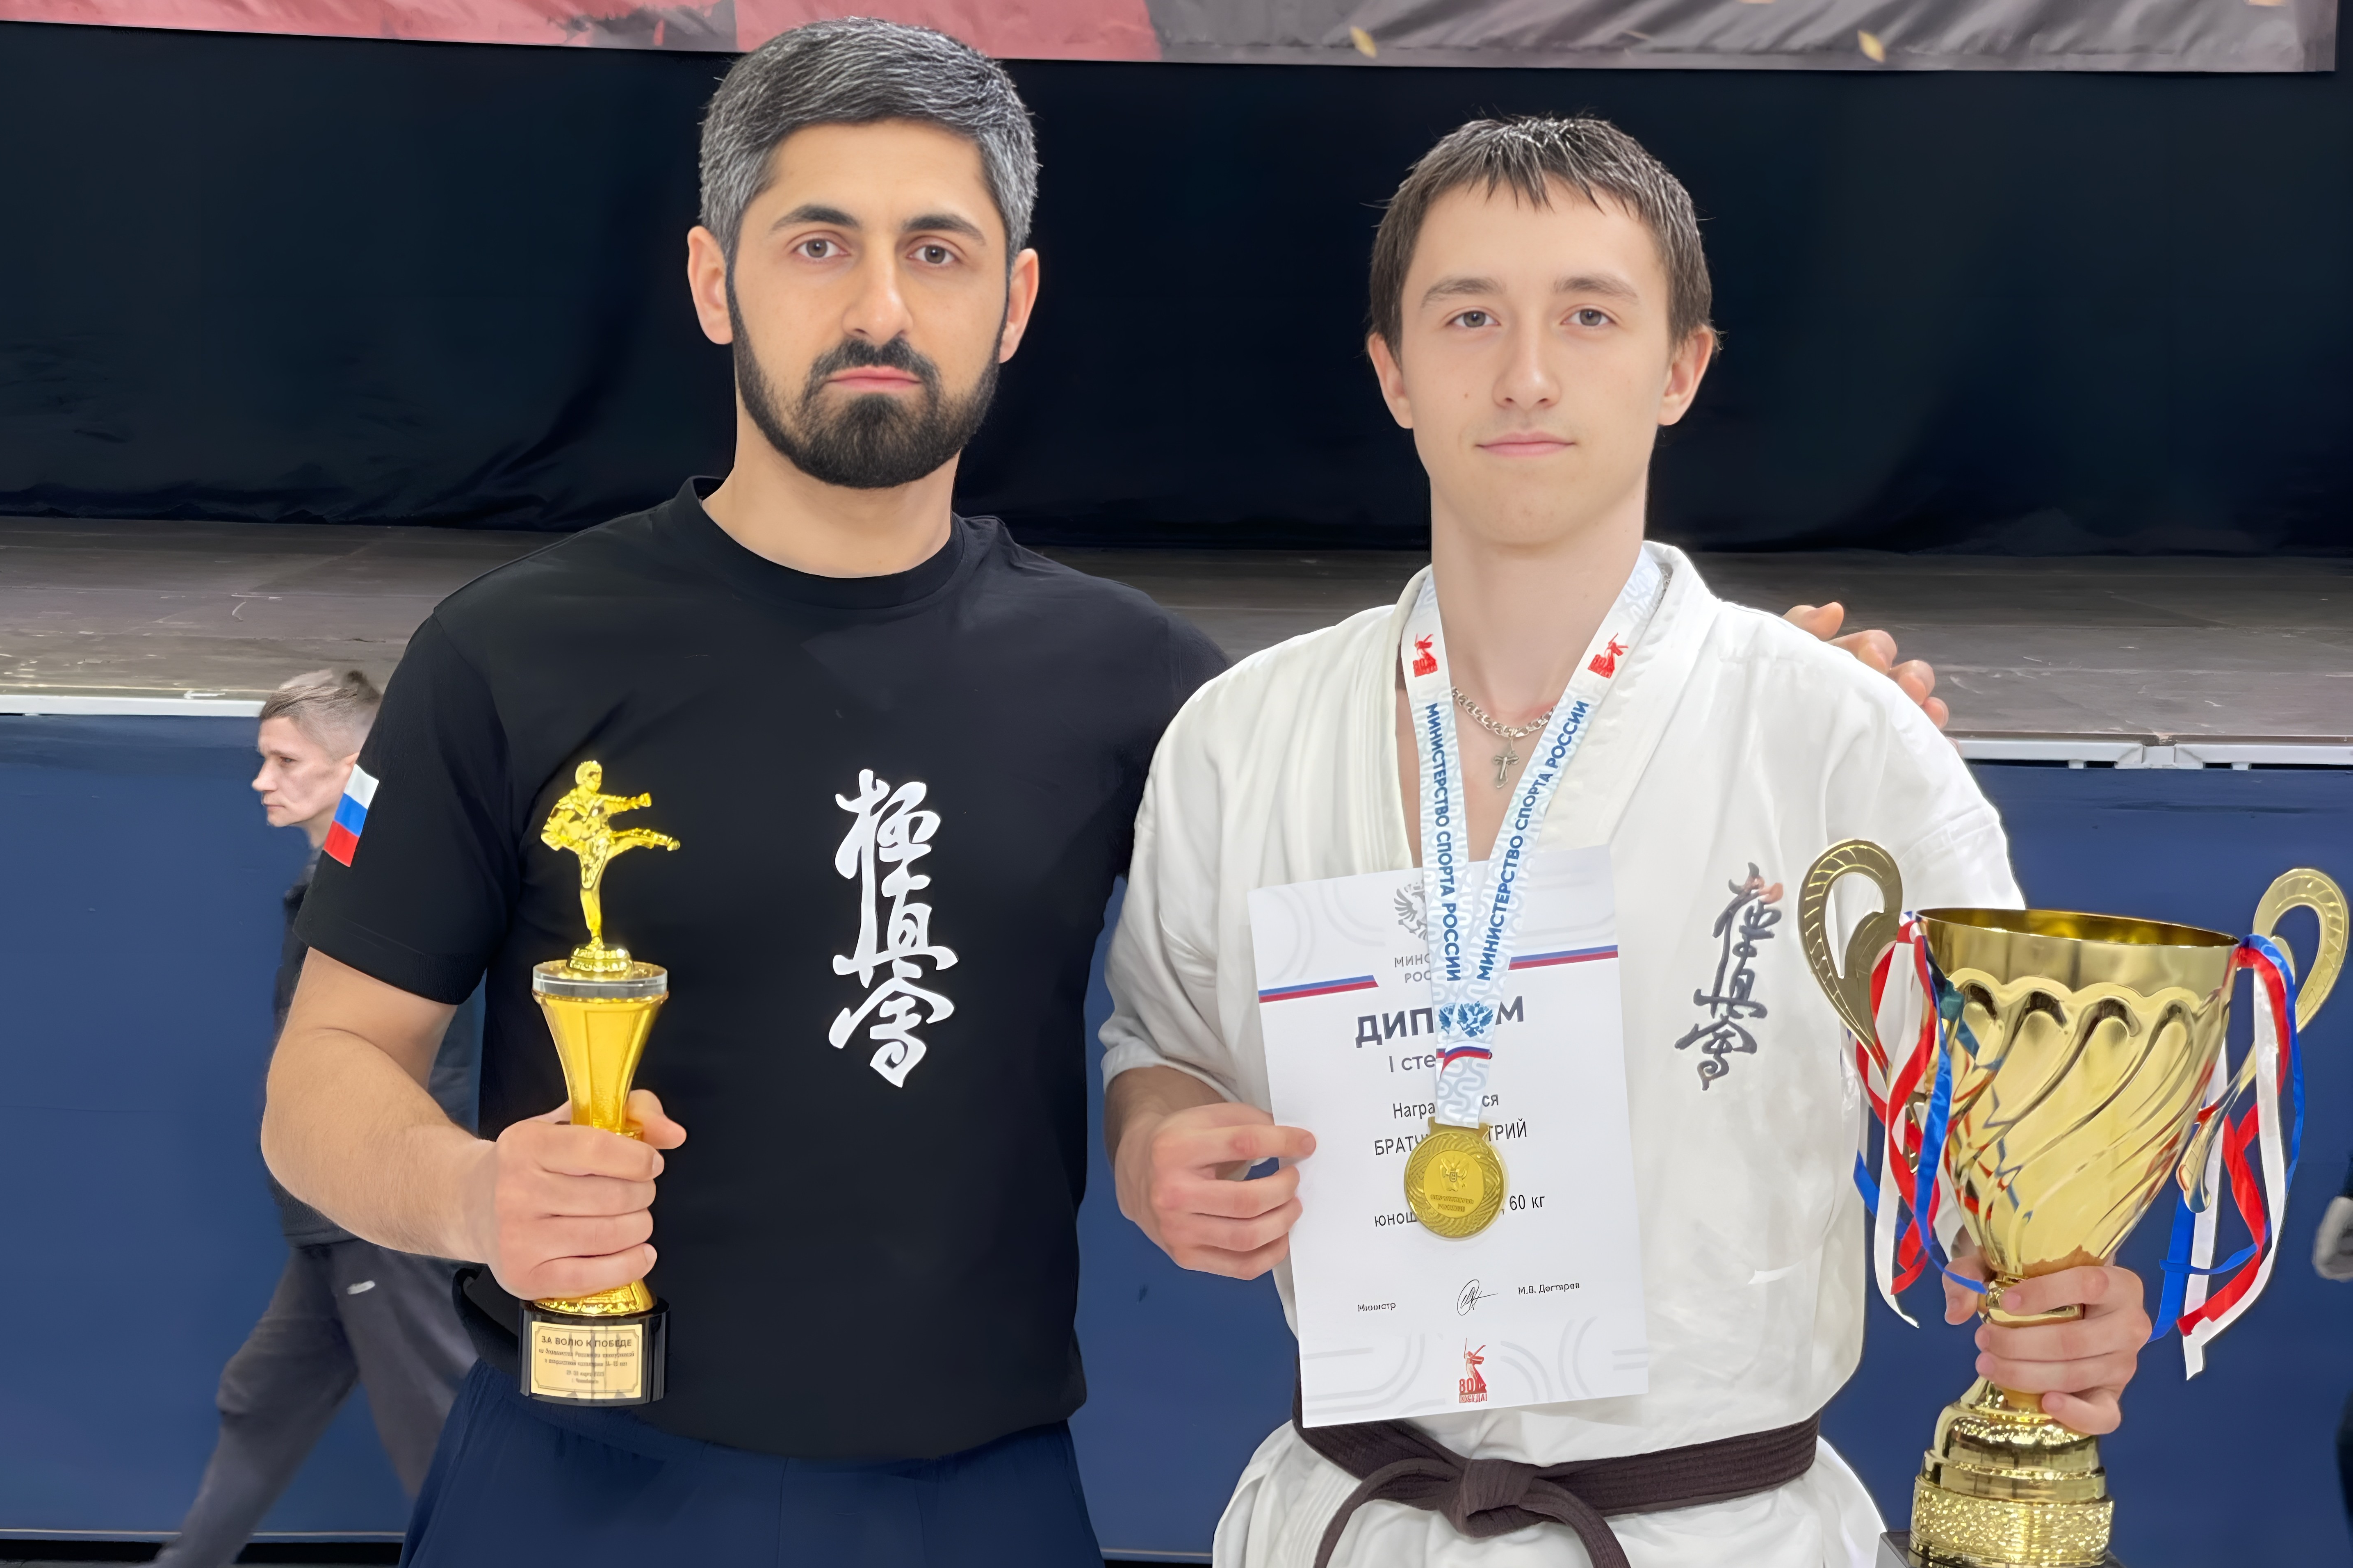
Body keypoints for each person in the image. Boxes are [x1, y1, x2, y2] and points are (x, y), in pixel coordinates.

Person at [260, 25, 1952, 1565]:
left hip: (984, 1493)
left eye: (937, 251)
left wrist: (1773, 710)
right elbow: (322, 1082)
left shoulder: (1147, 690)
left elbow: (1463, 859)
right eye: (817, 244)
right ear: (715, 279)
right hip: (584, 1475)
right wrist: (478, 1196)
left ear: (1015, 300)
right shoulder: (510, 650)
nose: (879, 306)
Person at [1099, 117, 2153, 1568]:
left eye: (1588, 316)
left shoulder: (1834, 736)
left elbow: (1995, 1145)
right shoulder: (1242, 733)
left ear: (1680, 368)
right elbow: (1163, 1042)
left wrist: (2057, 1288)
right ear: (1391, 371)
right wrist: (1155, 1142)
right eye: (1468, 316)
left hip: (1717, 1533)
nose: (1526, 373)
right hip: (1348, 1515)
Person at [154, 669, 479, 1568]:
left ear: (355, 765)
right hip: (331, 1207)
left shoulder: (385, 883)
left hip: (374, 1206)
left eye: (285, 760)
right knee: (264, 1398)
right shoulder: (338, 877)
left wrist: (385, 1179)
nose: (263, 780)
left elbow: (419, 1053)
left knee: (438, 1430)